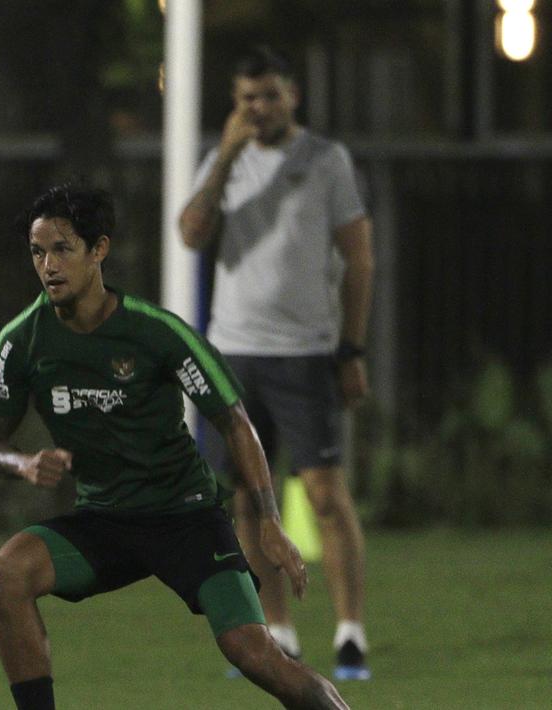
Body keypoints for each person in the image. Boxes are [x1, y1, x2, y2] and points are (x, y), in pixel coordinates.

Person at [0, 183, 349, 710]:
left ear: (98, 249)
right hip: (103, 520)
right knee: (5, 572)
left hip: (187, 517)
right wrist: (20, 462)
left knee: (253, 653)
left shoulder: (154, 332)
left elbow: (235, 423)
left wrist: (267, 520)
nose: (48, 265)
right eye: (38, 252)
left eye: (62, 248)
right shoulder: (22, 341)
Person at [178, 46, 375, 681]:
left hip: (306, 354)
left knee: (323, 493)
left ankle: (349, 633)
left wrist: (352, 348)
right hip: (233, 353)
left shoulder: (326, 161)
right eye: (245, 100)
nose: (257, 109)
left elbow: (360, 260)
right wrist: (226, 159)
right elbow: (189, 233)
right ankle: (278, 631)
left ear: (290, 94)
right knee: (246, 500)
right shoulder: (224, 162)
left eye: (267, 95)